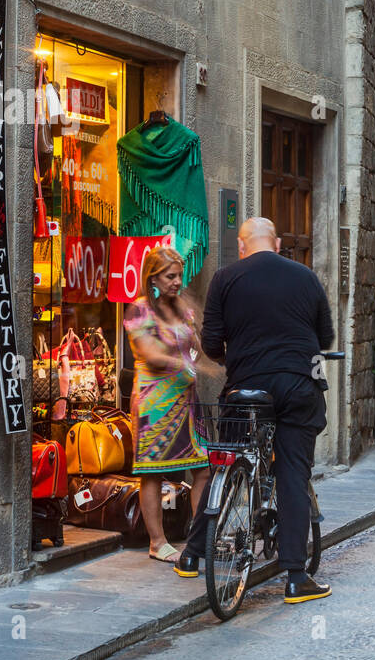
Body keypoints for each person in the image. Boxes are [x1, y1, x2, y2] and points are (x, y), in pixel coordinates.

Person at [176, 217, 336, 605]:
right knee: (293, 472)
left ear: (242, 246)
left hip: (246, 390)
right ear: (278, 243)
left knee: (225, 464)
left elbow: (212, 343)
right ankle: (297, 579)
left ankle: (192, 554)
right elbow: (325, 337)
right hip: (298, 385)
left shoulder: (225, 279)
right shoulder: (306, 277)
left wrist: (245, 354)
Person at [124, 247, 211, 565]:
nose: (177, 281)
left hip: (187, 403)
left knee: (202, 468)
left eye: (179, 275)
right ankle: (157, 542)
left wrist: (196, 353)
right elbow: (150, 355)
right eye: (170, 276)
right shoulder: (138, 311)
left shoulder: (182, 310)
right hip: (155, 405)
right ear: (154, 278)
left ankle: (200, 536)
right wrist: (184, 364)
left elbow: (196, 347)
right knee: (151, 473)